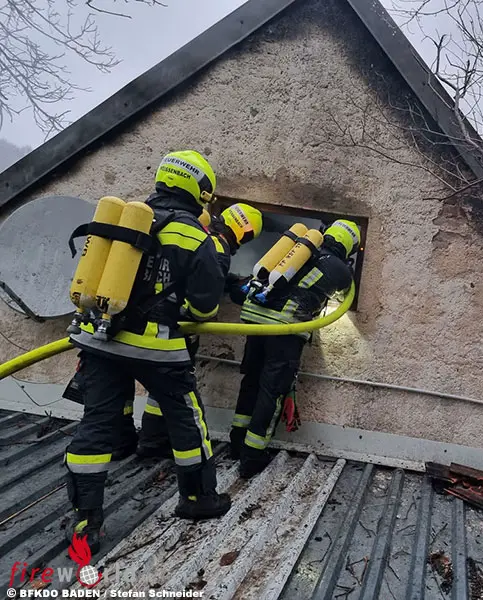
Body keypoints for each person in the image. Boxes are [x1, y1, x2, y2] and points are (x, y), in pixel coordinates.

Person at [65, 150, 230, 549]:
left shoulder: (126, 220)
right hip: (156, 349)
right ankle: (197, 499)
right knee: (187, 420)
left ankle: (86, 521)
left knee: (96, 425)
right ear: (200, 191)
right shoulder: (196, 237)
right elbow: (204, 308)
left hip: (100, 339)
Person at [230, 219, 362, 479]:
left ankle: (237, 442)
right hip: (285, 330)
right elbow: (342, 293)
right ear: (350, 246)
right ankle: (253, 455)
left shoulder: (299, 249)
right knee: (272, 391)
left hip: (256, 320)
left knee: (251, 381)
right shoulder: (340, 270)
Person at [137, 202, 263, 458]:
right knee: (179, 394)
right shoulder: (221, 249)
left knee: (159, 389)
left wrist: (229, 280)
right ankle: (179, 455)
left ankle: (151, 440)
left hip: (148, 319)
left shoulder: (201, 233)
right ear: (245, 233)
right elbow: (205, 298)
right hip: (178, 327)